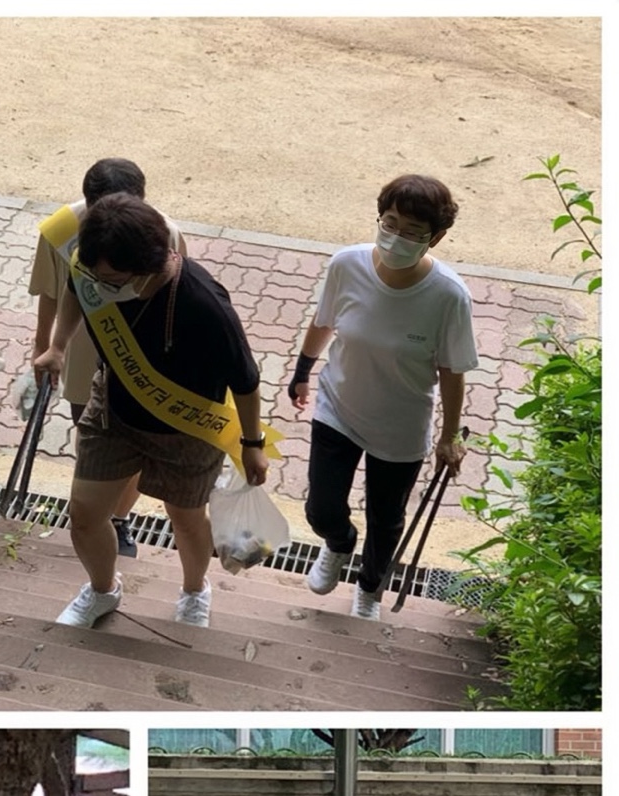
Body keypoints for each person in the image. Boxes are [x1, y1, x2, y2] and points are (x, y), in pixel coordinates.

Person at [34, 194, 278, 630]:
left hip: (187, 431)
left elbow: (245, 379)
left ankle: (194, 591)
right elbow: (75, 287)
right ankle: (103, 590)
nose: (100, 283)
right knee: (85, 515)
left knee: (185, 520)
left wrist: (253, 444)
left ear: (147, 267)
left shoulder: (204, 303)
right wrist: (57, 347)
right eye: (95, 273)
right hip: (113, 413)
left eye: (111, 278)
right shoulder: (95, 268)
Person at [288, 175, 479, 620]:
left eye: (413, 232)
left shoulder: (448, 296)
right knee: (321, 506)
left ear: (437, 237)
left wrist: (449, 436)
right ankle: (338, 544)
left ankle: (370, 586)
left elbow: (452, 372)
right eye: (390, 223)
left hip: (401, 423)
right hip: (338, 405)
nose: (397, 238)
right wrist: (302, 372)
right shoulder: (346, 264)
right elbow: (324, 321)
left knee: (386, 518)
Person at [29, 158, 186, 557]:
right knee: (93, 441)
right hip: (83, 360)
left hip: (142, 360)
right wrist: (44, 346)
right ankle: (96, 517)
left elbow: (177, 296)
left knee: (134, 448)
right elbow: (52, 292)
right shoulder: (60, 232)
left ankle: (118, 519)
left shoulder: (164, 232)